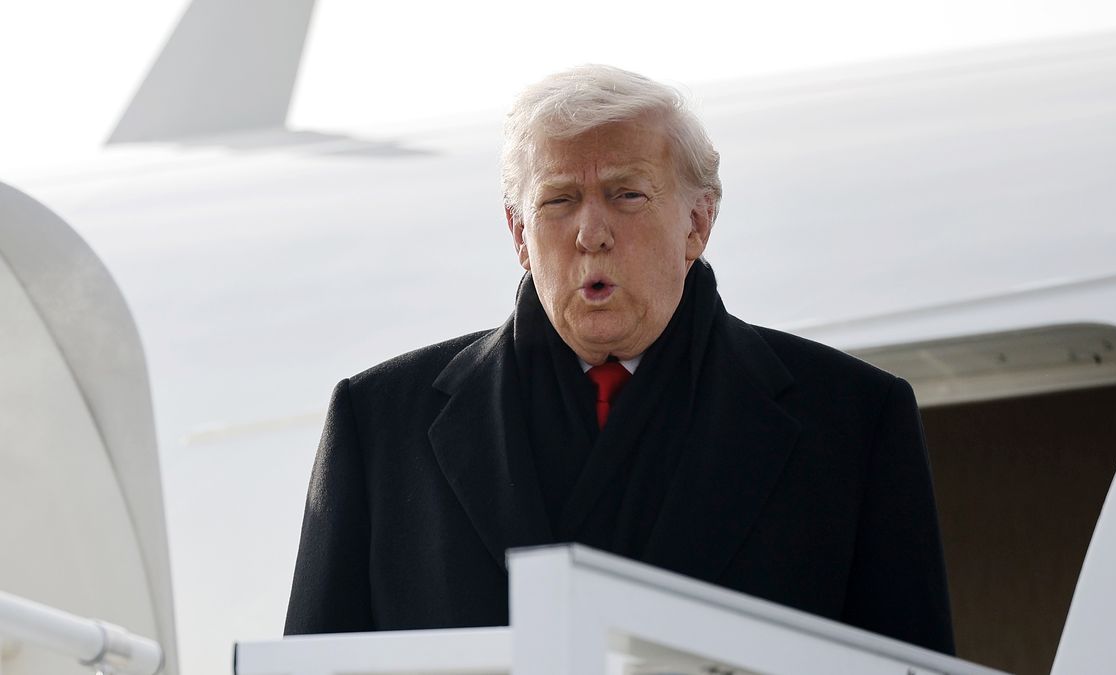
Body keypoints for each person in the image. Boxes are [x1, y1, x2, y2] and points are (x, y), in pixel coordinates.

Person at [284, 64, 955, 654]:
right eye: (558, 200)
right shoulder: (379, 428)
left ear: (698, 222)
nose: (590, 232)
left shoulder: (853, 422)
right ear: (519, 234)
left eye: (626, 193)